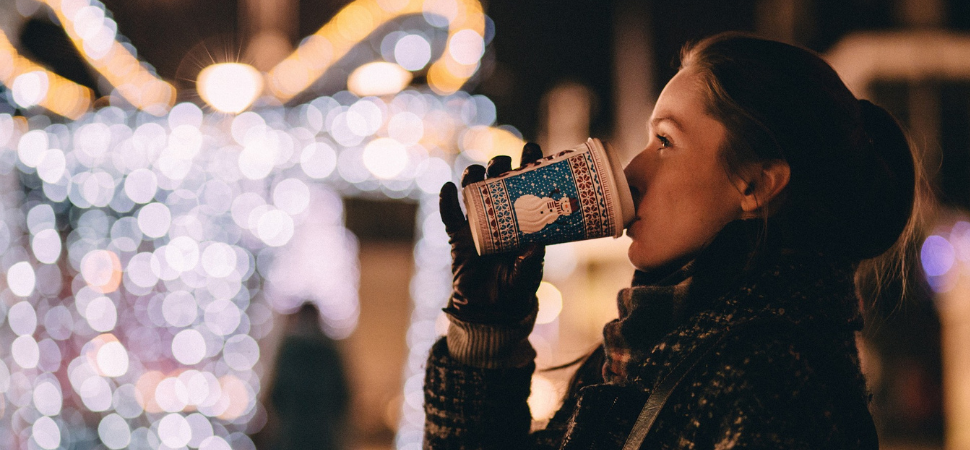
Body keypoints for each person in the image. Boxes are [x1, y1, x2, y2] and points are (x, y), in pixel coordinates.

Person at [423, 32, 919, 449]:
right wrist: (487, 332)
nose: (632, 172)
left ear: (756, 185)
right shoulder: (645, 348)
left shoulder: (775, 384)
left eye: (665, 141)